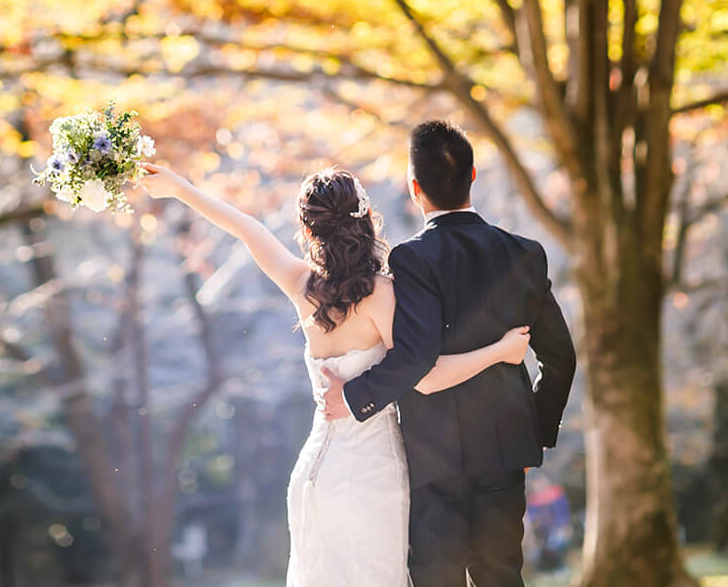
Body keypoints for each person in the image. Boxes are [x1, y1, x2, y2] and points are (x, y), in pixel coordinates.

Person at [142, 158, 531, 587]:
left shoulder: (301, 285)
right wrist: (499, 351)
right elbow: (426, 375)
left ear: (309, 231)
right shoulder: (384, 294)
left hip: (313, 474)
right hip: (371, 476)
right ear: (366, 219)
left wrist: (181, 188)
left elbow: (247, 227)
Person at [320, 120, 576, 587]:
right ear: (473, 176)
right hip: (503, 452)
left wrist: (356, 397)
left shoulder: (412, 259)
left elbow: (417, 356)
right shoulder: (525, 254)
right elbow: (561, 359)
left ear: (414, 189)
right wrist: (532, 435)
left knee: (437, 579)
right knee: (502, 576)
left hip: (432, 455)